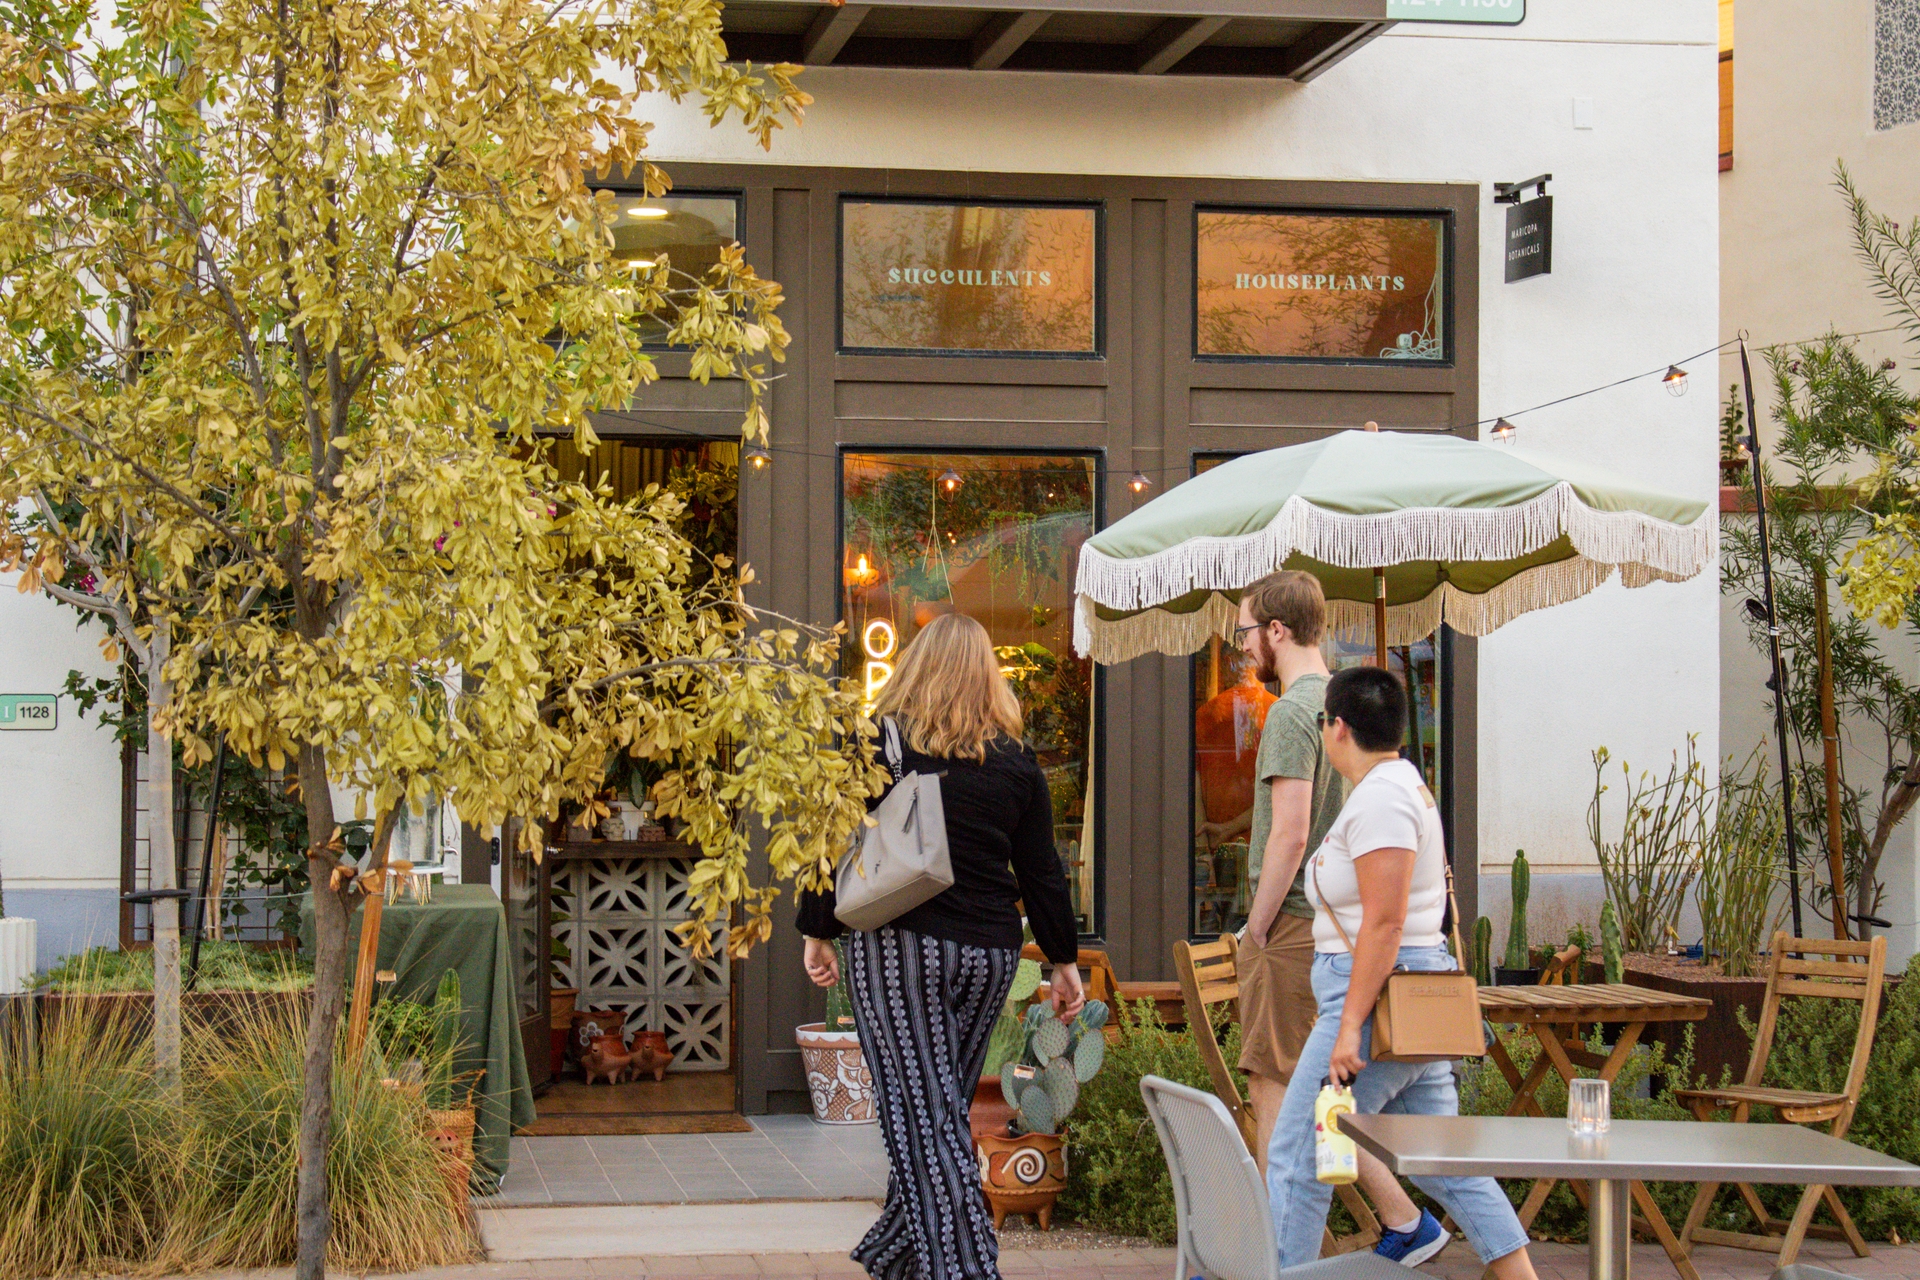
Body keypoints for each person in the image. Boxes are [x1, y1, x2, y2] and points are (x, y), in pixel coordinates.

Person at [796, 612, 1084, 1280]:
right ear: (989, 676)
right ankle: (898, 1260)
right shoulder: (1016, 762)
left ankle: (967, 1269)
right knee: (936, 1111)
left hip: (899, 950)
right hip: (989, 954)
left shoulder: (877, 743)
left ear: (915, 668)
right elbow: (1042, 872)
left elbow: (829, 839)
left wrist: (818, 928)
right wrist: (1063, 960)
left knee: (919, 1117)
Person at [1267, 666, 1540, 1280]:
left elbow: (1385, 925)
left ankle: (1281, 1273)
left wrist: (1347, 1027)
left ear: (1337, 728)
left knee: (1304, 1147)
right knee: (1444, 1159)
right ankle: (1520, 1275)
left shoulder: (1384, 799)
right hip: (1408, 995)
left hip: (1378, 996)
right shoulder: (1396, 786)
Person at [1233, 572, 1439, 1266]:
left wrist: (1255, 927)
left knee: (1276, 1090)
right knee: (1320, 1097)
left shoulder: (1293, 713)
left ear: (1276, 632)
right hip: (1327, 929)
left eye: (1245, 632)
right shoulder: (1340, 701)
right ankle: (1405, 1218)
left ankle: (1278, 1253)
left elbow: (1289, 835)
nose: (1242, 648)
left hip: (1291, 927)